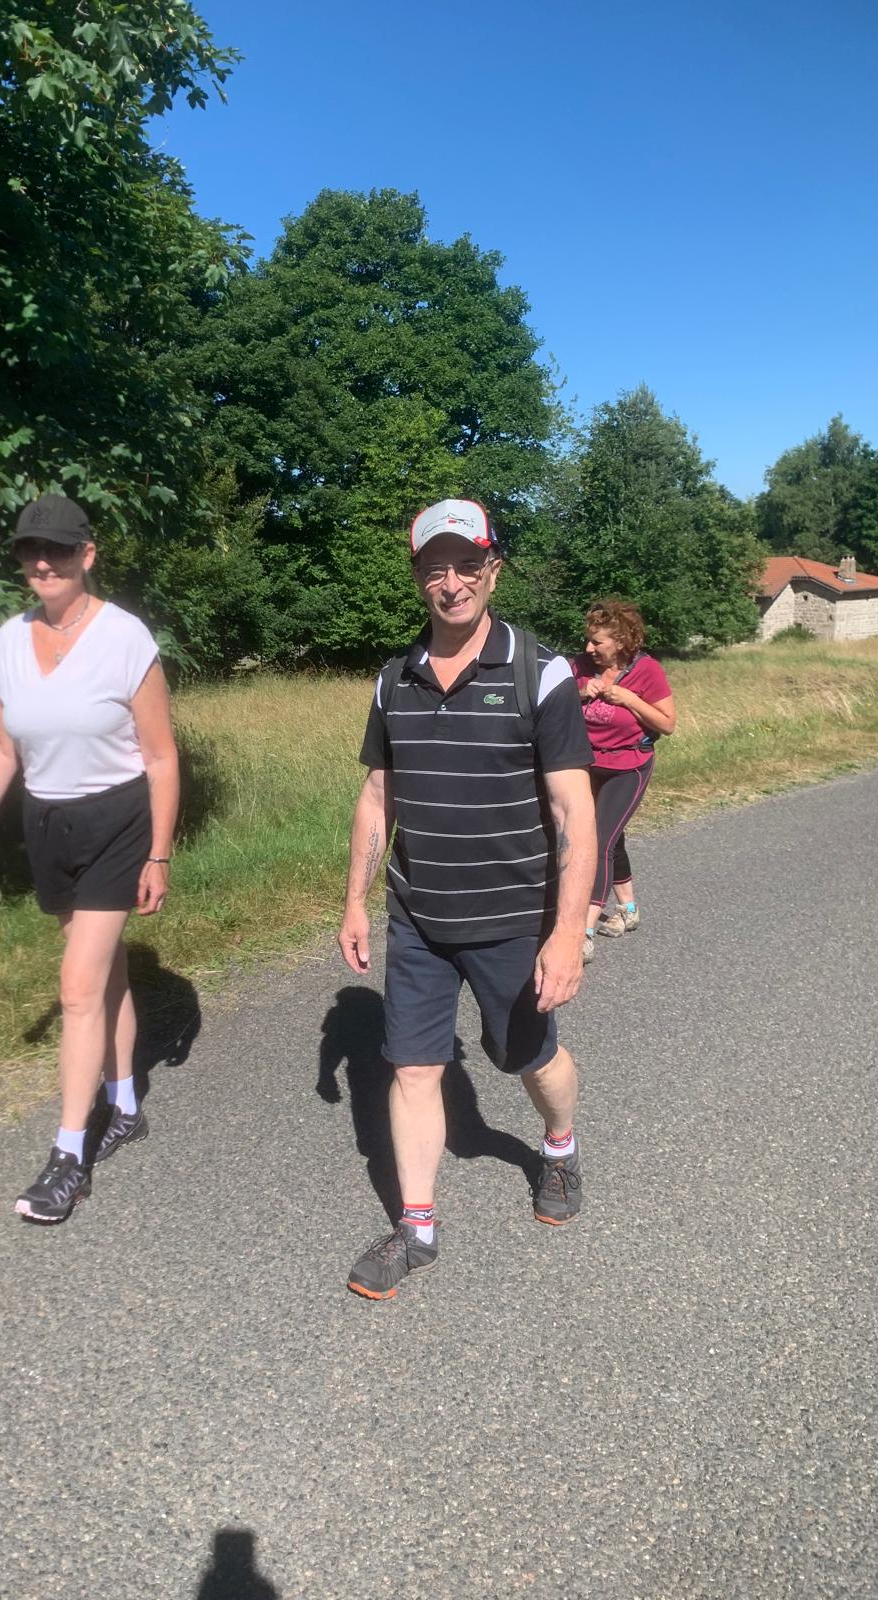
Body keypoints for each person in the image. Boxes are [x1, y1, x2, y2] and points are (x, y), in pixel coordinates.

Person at [337, 499, 597, 1300]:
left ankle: (559, 1146)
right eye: (434, 567)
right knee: (413, 1069)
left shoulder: (539, 672)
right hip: (418, 915)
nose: (451, 583)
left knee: (527, 1058)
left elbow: (573, 811)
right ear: (418, 576)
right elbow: (377, 796)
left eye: (467, 565)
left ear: (493, 570)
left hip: (513, 919)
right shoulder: (394, 680)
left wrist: (564, 933)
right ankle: (416, 1229)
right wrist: (354, 901)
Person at [0, 494, 179, 1223]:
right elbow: (0, 748)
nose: (42, 562)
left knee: (77, 987)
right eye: (30, 550)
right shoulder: (9, 642)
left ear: (87, 554)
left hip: (117, 820)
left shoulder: (125, 639)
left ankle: (67, 1158)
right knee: (104, 973)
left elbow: (161, 757)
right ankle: (125, 1106)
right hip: (46, 822)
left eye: (57, 549)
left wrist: (159, 854)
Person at [571, 599, 675, 963]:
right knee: (611, 837)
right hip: (585, 765)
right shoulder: (579, 667)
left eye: (597, 641)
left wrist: (629, 699)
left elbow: (667, 724)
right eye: (588, 640)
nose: (589, 648)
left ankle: (583, 931)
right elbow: (550, 703)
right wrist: (579, 691)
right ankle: (628, 909)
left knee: (598, 840)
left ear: (620, 641)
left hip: (628, 766)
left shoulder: (647, 671)